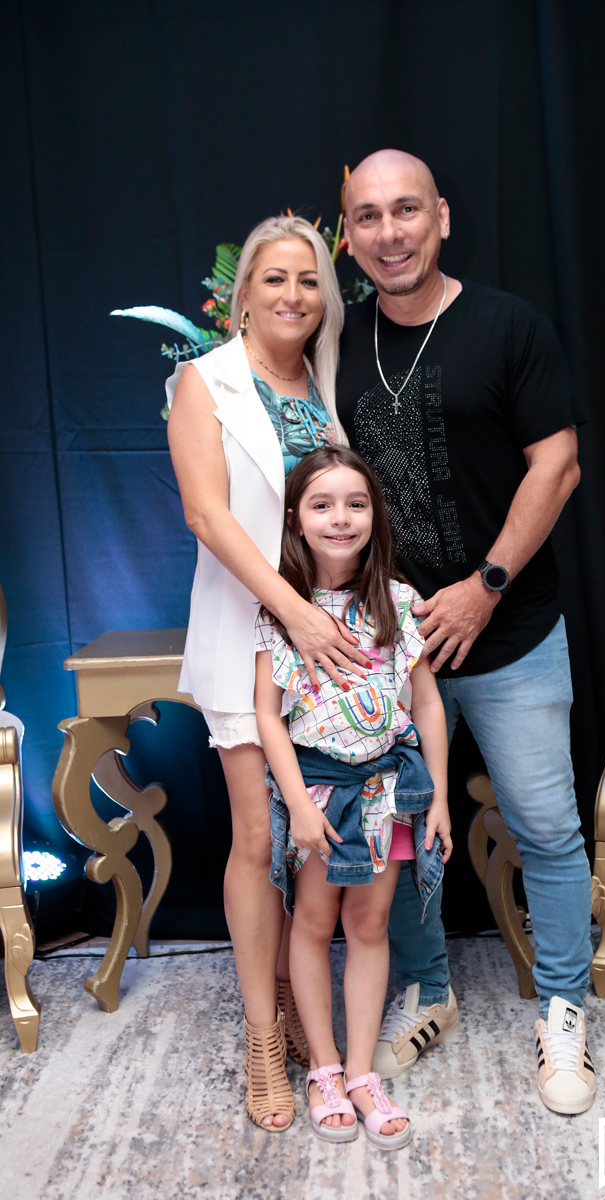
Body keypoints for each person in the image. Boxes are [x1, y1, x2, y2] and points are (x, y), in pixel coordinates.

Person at [336, 149, 597, 1115]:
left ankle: (563, 1011)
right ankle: (427, 990)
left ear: (441, 217)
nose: (390, 233)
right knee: (400, 830)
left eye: (406, 210)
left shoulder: (507, 324)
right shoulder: (338, 341)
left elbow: (557, 465)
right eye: (369, 217)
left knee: (546, 825)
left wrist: (483, 587)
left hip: (510, 629)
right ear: (348, 236)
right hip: (392, 648)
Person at [166, 215, 372, 1132]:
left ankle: (293, 1003)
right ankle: (261, 1036)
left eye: (310, 279)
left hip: (329, 649)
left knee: (311, 839)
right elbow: (208, 517)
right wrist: (294, 612)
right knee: (258, 838)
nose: (294, 294)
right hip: (251, 634)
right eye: (276, 278)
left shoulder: (324, 385)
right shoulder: (203, 381)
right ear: (242, 291)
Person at [255, 444, 452, 1148]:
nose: (340, 518)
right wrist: (298, 806)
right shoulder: (281, 607)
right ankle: (324, 1070)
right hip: (318, 792)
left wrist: (438, 798)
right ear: (296, 519)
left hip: (387, 793)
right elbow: (268, 716)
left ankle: (363, 1073)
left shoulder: (396, 602)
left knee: (369, 927)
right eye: (322, 504)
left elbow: (425, 704)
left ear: (374, 515)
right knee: (313, 925)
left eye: (356, 504)